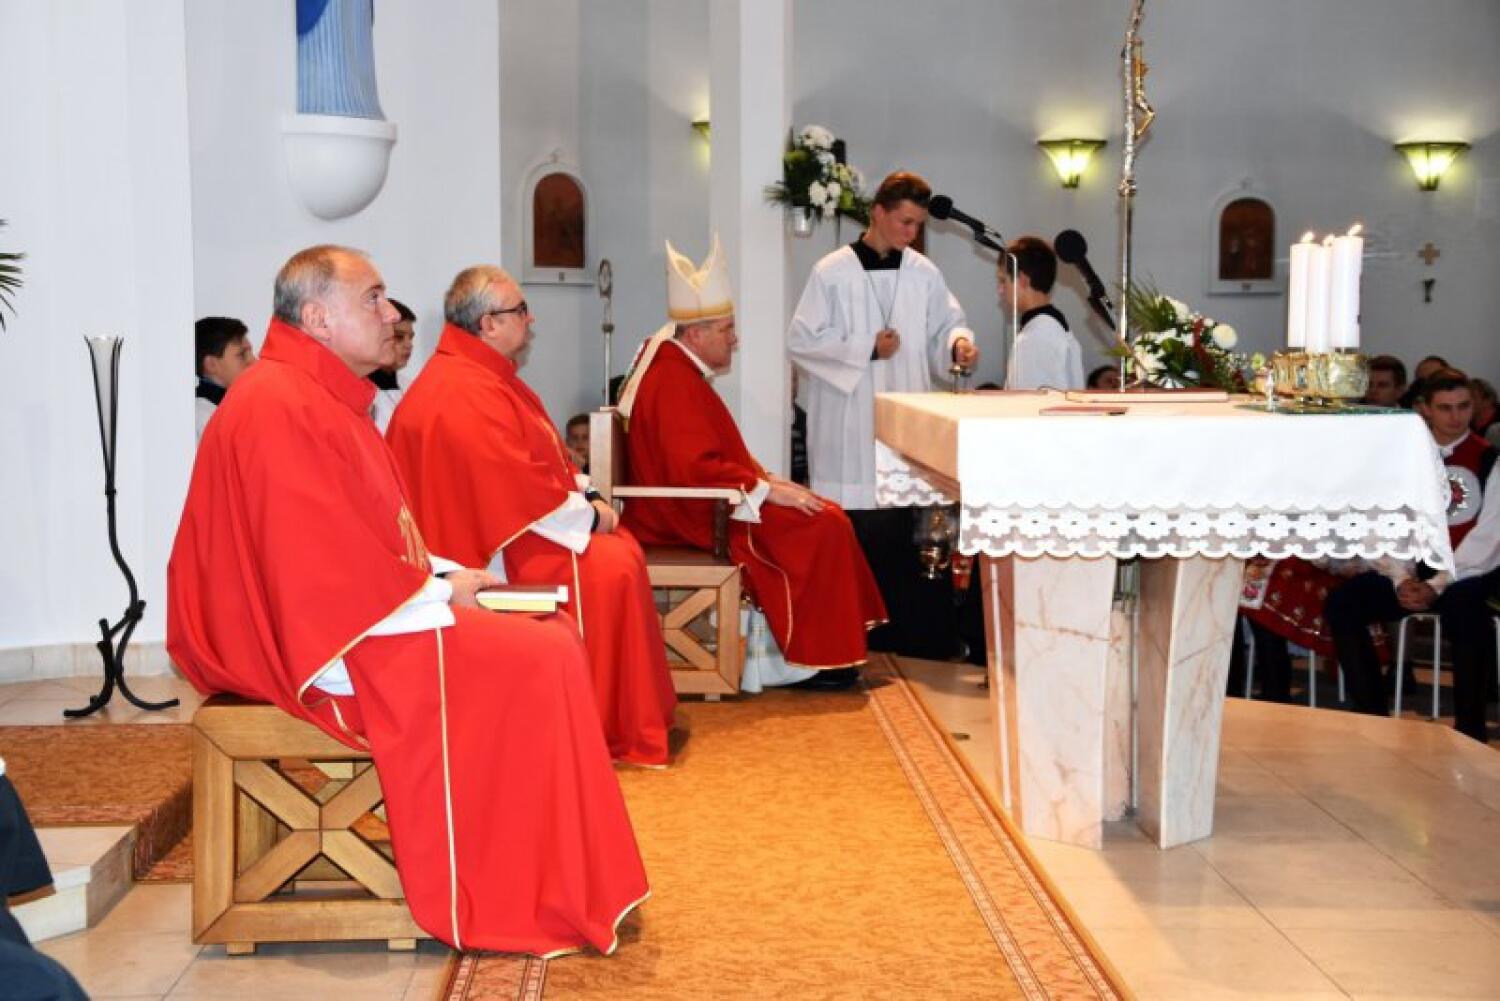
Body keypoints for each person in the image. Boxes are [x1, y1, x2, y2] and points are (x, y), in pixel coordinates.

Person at [168, 245, 648, 954]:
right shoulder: (279, 404)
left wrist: (446, 577)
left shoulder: (318, 393)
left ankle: (555, 874)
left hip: (349, 616)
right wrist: (443, 591)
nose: (391, 312)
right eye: (373, 297)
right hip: (311, 644)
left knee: (548, 632)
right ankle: (518, 886)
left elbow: (369, 539)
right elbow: (314, 571)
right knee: (536, 657)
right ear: (318, 318)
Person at [386, 265, 677, 766]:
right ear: (488, 324)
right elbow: (515, 490)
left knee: (618, 555)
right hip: (475, 554)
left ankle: (622, 718)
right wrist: (593, 518)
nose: (531, 318)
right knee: (608, 569)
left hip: (501, 529)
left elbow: (542, 464)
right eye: (520, 310)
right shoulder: (464, 389)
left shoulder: (482, 375)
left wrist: (587, 496)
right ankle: (599, 725)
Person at [618, 235, 886, 686]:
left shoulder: (676, 368)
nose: (735, 340)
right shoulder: (671, 381)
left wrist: (766, 482)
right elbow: (693, 470)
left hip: (701, 500)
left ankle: (822, 652)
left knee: (824, 515)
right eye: (727, 330)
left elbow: (702, 460)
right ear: (696, 334)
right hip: (685, 513)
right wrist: (763, 489)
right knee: (822, 525)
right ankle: (809, 660)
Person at [786, 171, 977, 657]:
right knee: (862, 529)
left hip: (903, 419)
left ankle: (915, 639)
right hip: (849, 421)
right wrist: (865, 347)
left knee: (905, 530)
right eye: (904, 222)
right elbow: (801, 340)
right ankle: (855, 636)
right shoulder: (832, 271)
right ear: (878, 212)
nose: (911, 233)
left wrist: (958, 345)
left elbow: (947, 325)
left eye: (917, 225)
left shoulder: (923, 273)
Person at [1326, 369, 1500, 741]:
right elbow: (1386, 520)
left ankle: (1470, 730)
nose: (1456, 416)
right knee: (1344, 604)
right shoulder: (1406, 460)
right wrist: (1401, 577)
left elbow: (1489, 535)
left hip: (1469, 572)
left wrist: (1438, 583)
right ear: (1425, 410)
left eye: (1463, 406)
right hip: (1413, 567)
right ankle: (1372, 716)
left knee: (1467, 610)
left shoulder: (1490, 461)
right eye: (1445, 408)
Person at [1002, 236, 1083, 391]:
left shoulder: (1037, 336)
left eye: (1003, 281)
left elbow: (1033, 403)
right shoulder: (1049, 326)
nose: (1000, 290)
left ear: (1023, 280)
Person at [194, 316, 256, 439]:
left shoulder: (241, 408)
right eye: (242, 355)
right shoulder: (201, 417)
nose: (254, 362)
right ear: (211, 365)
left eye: (251, 353)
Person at [368, 297, 415, 433]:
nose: (409, 345)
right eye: (399, 337)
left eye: (411, 337)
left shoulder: (413, 388)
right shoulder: (360, 392)